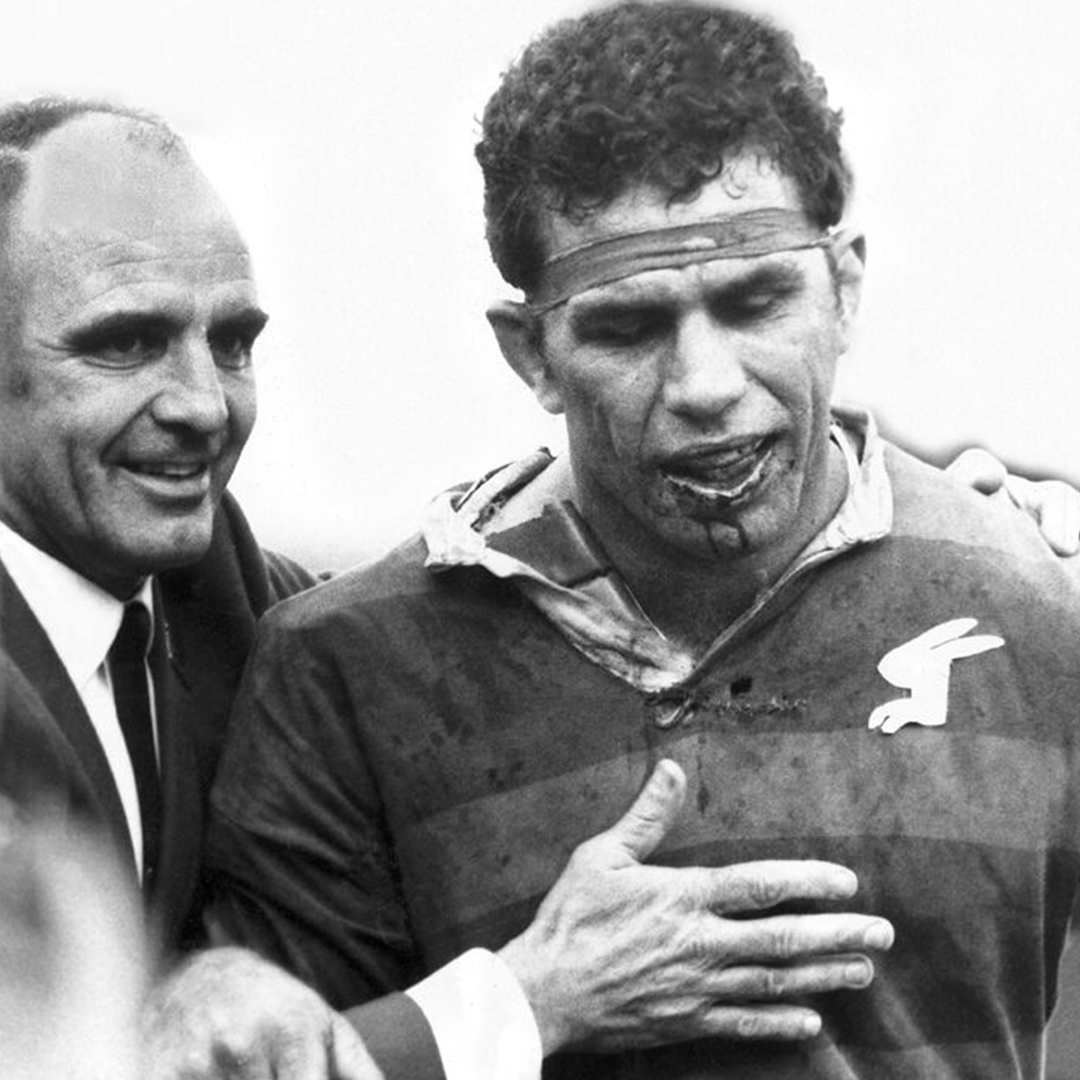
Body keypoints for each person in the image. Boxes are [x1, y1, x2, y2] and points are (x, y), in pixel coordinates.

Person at [203, 3, 1080, 1078]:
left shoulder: (1037, 609)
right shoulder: (350, 671)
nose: (705, 385)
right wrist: (529, 1001)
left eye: (755, 301)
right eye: (627, 327)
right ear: (531, 353)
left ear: (846, 287)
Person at [0, 94, 902, 1080]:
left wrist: (938, 534)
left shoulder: (220, 595)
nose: (204, 406)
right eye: (123, 343)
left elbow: (433, 616)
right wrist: (528, 1000)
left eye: (232, 343)